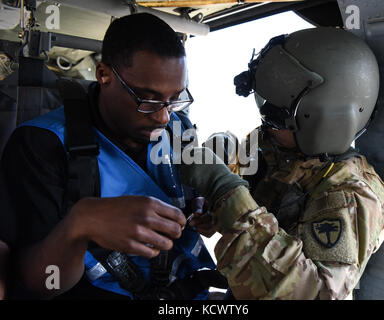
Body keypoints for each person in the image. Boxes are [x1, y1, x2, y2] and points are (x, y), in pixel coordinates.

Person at [1, 13, 223, 300]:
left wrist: (201, 209)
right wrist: (78, 226)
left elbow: (189, 197)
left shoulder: (181, 129)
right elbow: (43, 284)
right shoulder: (42, 144)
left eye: (174, 99)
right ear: (104, 74)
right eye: (148, 99)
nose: (163, 116)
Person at [179, 27, 384, 300]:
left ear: (321, 120)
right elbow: (247, 178)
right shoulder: (278, 145)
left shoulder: (346, 193)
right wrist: (219, 210)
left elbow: (313, 294)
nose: (265, 121)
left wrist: (226, 193)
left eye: (277, 116)